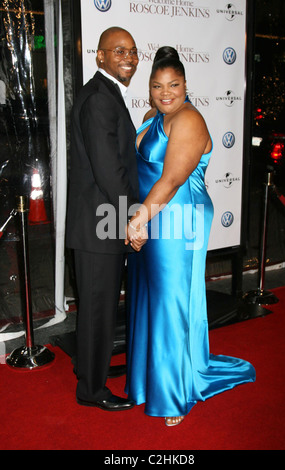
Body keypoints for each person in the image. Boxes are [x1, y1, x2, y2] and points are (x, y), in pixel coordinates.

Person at [124, 47, 256, 426]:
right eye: (157, 85)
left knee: (171, 299)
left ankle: (175, 392)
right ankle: (149, 383)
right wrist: (139, 217)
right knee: (149, 296)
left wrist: (138, 221)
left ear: (186, 85)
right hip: (153, 214)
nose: (166, 92)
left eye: (174, 84)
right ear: (149, 89)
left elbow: (172, 178)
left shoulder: (189, 120)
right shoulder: (153, 116)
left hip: (179, 217)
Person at [66, 27, 146, 412]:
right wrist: (133, 218)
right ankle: (91, 390)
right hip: (102, 223)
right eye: (118, 51)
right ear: (100, 57)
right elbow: (109, 171)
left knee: (96, 306)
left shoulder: (105, 93)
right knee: (99, 307)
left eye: (132, 51)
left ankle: (89, 367)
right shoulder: (100, 98)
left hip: (100, 221)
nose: (128, 57)